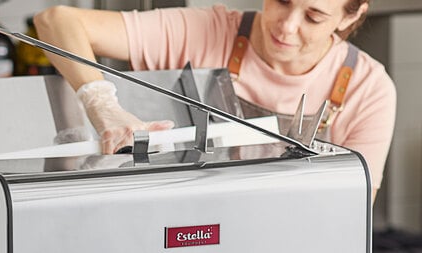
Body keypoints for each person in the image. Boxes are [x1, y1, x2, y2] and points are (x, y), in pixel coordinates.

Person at [34, 0, 395, 200]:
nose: (286, 26)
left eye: (314, 17)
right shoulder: (208, 32)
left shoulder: (368, 88)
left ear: (352, 14)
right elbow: (56, 21)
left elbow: (353, 214)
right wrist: (100, 101)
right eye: (282, 0)